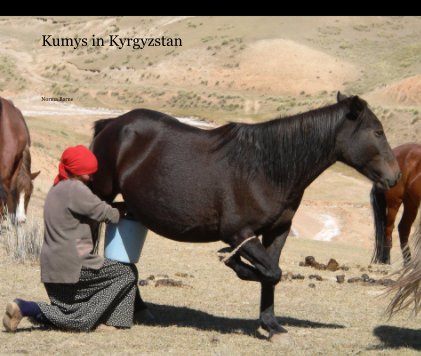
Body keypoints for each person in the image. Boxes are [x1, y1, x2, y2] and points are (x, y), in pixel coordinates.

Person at [3, 145, 143, 332]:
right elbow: (108, 214)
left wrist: (111, 206)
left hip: (52, 267)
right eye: (88, 172)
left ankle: (29, 310)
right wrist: (123, 209)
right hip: (74, 264)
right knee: (127, 273)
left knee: (67, 310)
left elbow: (87, 209)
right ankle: (27, 307)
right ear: (77, 171)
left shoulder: (56, 189)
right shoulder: (76, 189)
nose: (92, 176)